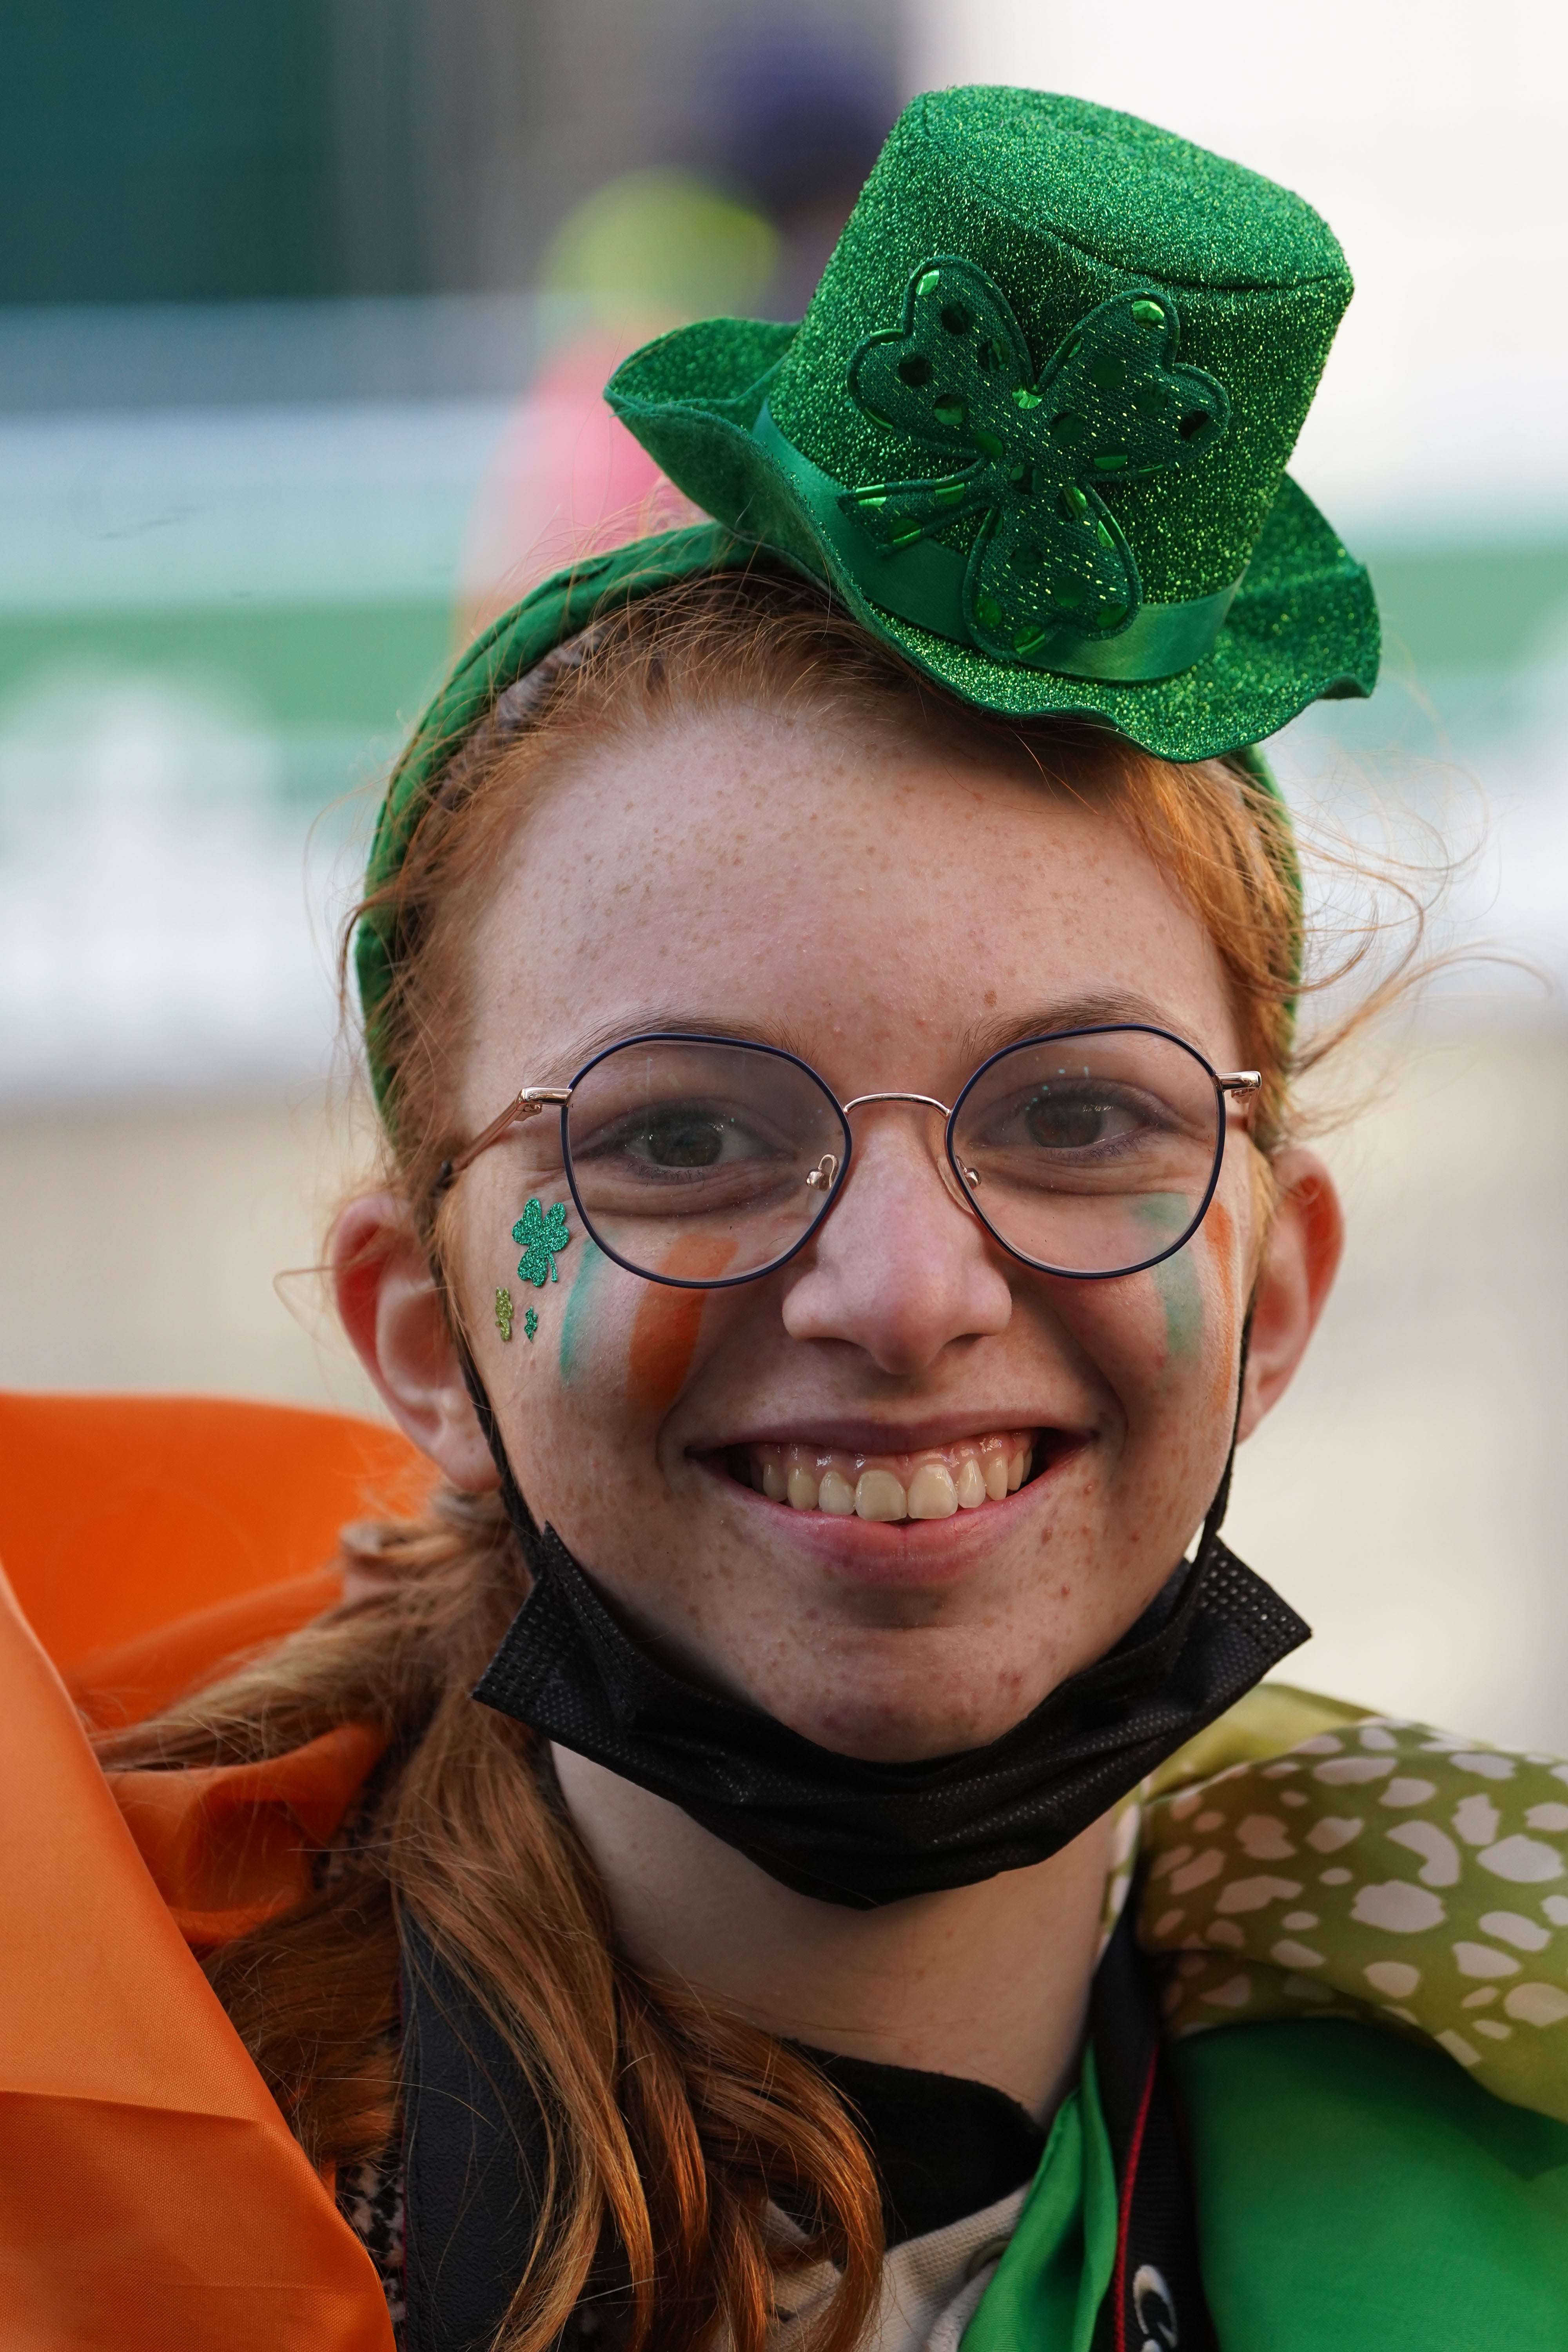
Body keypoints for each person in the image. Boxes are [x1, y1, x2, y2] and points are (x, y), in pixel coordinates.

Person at [34, 86, 1568, 2352]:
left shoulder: (1502, 2111)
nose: (909, 1292)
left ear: (1277, 1283)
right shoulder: (63, 2162)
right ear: (421, 1328)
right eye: (679, 1138)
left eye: (1074, 1113)